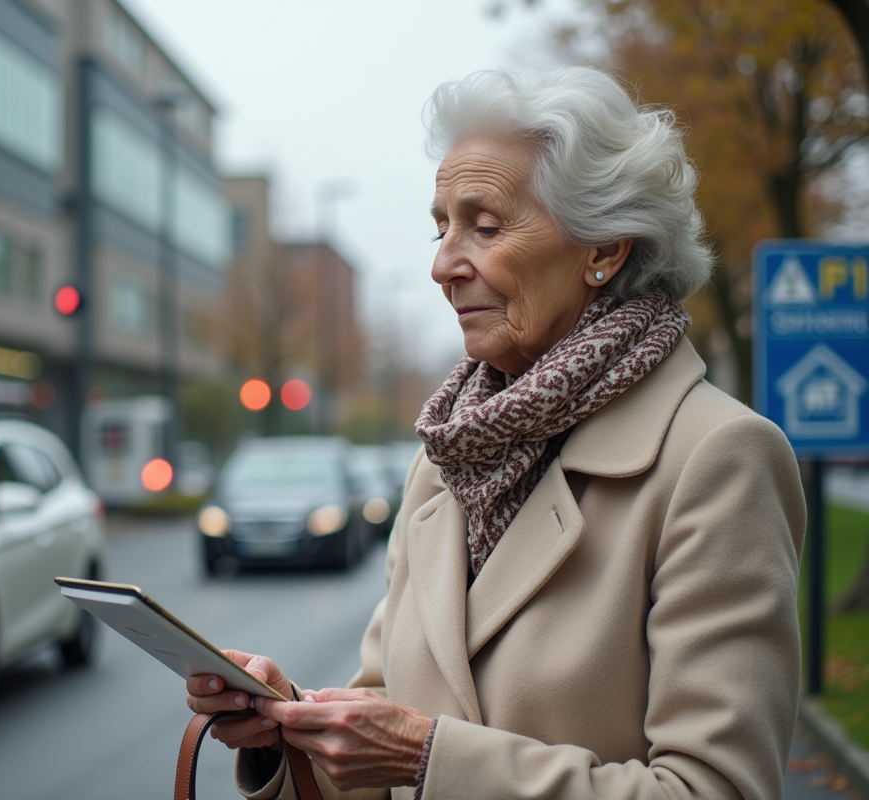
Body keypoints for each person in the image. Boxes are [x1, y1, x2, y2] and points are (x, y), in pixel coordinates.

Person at [186, 65, 806, 800]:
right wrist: (290, 726)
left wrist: (430, 761)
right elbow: (380, 739)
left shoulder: (717, 457)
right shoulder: (444, 458)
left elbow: (717, 788)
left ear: (604, 249)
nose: (442, 265)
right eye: (440, 226)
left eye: (484, 225)